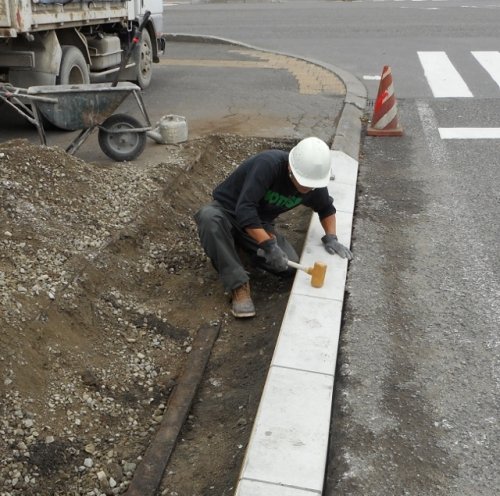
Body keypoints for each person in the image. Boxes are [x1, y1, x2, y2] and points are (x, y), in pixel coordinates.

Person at [194, 136, 353, 318]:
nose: (306, 188)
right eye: (303, 183)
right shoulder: (268, 165)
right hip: (227, 212)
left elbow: (326, 208)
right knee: (208, 218)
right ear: (290, 168)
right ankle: (238, 284)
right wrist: (268, 245)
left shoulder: (314, 183)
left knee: (287, 268)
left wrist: (331, 237)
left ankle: (237, 248)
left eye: (310, 186)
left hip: (259, 223)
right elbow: (245, 209)